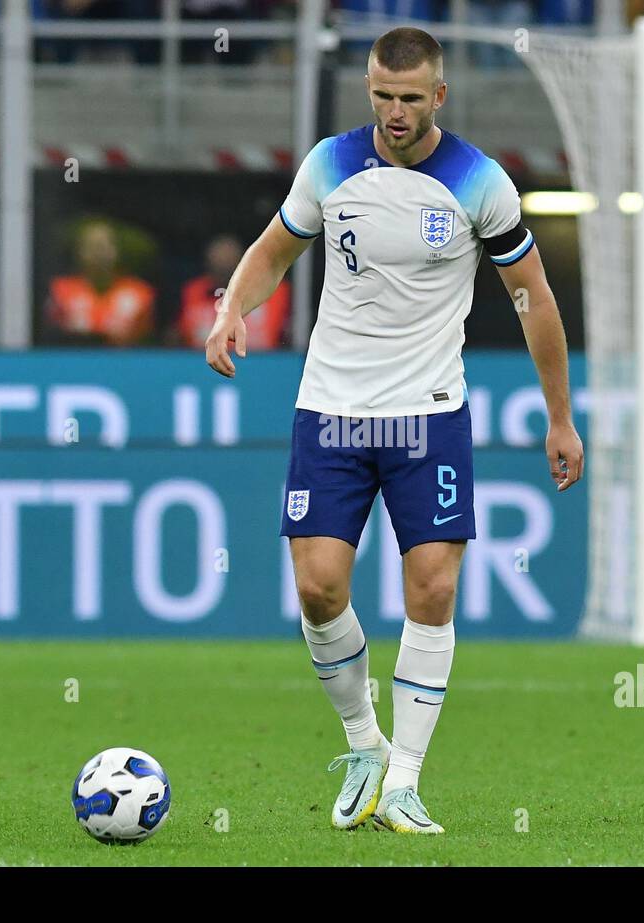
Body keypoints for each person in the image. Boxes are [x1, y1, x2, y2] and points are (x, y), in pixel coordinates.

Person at [204, 27, 584, 835]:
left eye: (411, 97)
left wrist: (560, 416)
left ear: (439, 96)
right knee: (318, 588)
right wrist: (233, 306)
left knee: (434, 589)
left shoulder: (481, 182)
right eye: (382, 94)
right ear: (369, 90)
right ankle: (364, 745)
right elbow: (274, 252)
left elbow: (535, 298)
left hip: (430, 412)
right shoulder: (330, 165)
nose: (395, 110)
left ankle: (406, 781)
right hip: (331, 407)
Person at [44, 221, 157, 347]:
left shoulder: (139, 292)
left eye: (105, 246)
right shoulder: (60, 291)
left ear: (116, 251)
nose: (99, 254)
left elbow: (146, 340)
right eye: (93, 247)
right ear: (79, 252)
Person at [174, 235, 290, 349]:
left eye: (229, 267)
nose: (224, 271)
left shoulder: (274, 290)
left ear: (243, 264)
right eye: (218, 268)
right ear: (208, 266)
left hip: (265, 364)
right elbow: (180, 336)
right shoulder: (193, 293)